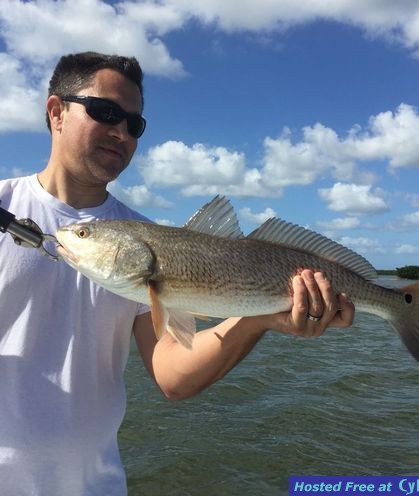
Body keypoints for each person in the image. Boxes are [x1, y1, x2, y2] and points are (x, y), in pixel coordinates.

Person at [0, 52, 355, 495]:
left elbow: (173, 375)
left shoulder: (149, 241)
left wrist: (258, 318)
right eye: (106, 112)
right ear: (56, 112)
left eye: (135, 124)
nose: (121, 132)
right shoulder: (4, 208)